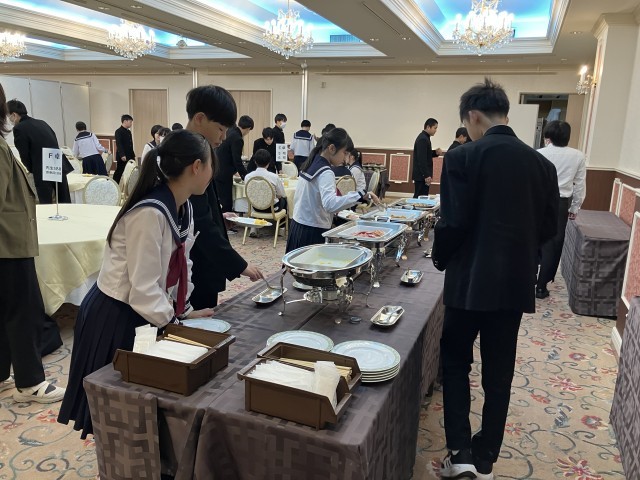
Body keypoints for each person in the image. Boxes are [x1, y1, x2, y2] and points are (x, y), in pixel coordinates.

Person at [432, 78, 559, 480]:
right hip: (514, 284)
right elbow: (549, 228)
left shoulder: (462, 157)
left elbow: (453, 223)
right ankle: (486, 457)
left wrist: (440, 257)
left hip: (468, 282)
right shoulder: (542, 165)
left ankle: (460, 453)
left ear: (473, 116)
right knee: (499, 372)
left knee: (456, 362)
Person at [57, 129, 216, 438]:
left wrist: (184, 310)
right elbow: (142, 289)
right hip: (115, 314)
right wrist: (174, 324)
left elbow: (181, 264)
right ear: (197, 167)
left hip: (143, 310)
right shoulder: (150, 213)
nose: (213, 173)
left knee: (137, 408)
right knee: (113, 409)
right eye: (211, 165)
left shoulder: (183, 206)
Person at [1, 83, 66, 404]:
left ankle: (3, 374)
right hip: (10, 245)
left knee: (6, 312)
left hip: (9, 242)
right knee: (23, 313)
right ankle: (30, 383)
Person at [184, 85, 263, 309]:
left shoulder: (200, 149)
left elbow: (200, 207)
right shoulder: (188, 156)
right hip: (194, 265)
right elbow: (200, 222)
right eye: (220, 128)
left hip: (200, 261)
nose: (223, 136)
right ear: (200, 118)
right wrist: (239, 265)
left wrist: (219, 215)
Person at [286, 128, 379, 253]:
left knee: (297, 263)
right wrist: (359, 195)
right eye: (344, 153)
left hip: (298, 225)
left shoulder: (312, 161)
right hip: (313, 229)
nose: (345, 159)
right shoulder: (326, 171)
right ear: (331, 148)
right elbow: (330, 204)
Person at [536, 120, 587, 299]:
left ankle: (528, 278)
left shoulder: (539, 153)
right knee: (554, 243)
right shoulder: (578, 156)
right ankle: (541, 287)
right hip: (560, 203)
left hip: (538, 201)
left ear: (548, 136)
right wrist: (575, 207)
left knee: (532, 238)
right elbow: (580, 185)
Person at [8, 99, 73, 204]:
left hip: (41, 168)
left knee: (46, 203)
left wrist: (31, 169)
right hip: (57, 164)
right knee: (64, 200)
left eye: (8, 116)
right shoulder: (42, 123)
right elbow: (54, 141)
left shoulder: (19, 128)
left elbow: (24, 154)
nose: (9, 119)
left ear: (14, 115)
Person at [214, 114, 254, 213]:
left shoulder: (230, 131)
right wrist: (246, 177)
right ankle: (226, 222)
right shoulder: (238, 138)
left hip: (217, 169)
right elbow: (237, 161)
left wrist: (235, 171)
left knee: (220, 201)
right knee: (226, 203)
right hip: (224, 173)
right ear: (248, 128)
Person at [412, 118, 442, 198]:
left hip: (422, 175)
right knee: (419, 197)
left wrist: (435, 153)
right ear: (428, 127)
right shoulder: (423, 139)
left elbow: (426, 154)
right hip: (421, 176)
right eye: (435, 128)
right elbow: (421, 159)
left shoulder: (425, 137)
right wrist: (426, 175)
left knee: (422, 197)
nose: (436, 130)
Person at [113, 114, 135, 184]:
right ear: (125, 121)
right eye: (130, 122)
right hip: (122, 156)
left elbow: (130, 144)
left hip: (130, 155)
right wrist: (122, 155)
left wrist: (133, 155)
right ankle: (114, 184)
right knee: (119, 171)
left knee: (131, 171)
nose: (131, 124)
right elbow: (119, 144)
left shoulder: (128, 131)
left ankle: (129, 185)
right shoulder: (118, 131)